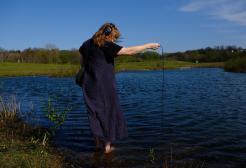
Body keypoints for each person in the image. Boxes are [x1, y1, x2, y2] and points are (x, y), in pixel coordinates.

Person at [79, 22, 160, 154]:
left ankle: (98, 144)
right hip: (104, 85)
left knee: (94, 114)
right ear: (108, 34)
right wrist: (149, 46)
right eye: (114, 37)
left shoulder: (86, 44)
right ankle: (107, 148)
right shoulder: (105, 44)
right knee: (109, 112)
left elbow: (82, 62)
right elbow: (128, 51)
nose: (114, 40)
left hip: (88, 85)